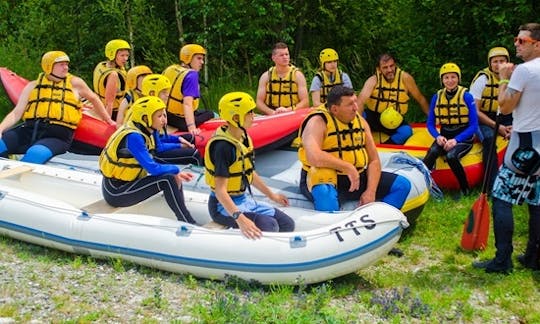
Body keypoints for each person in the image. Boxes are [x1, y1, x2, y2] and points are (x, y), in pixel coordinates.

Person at [473, 23, 540, 273]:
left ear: (536, 44)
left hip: (524, 141)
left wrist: (503, 79)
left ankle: (503, 260)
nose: (516, 44)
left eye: (522, 41)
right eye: (516, 40)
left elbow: (505, 106)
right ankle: (534, 257)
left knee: (501, 195)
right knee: (536, 199)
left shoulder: (524, 71)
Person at [298, 85, 412, 212]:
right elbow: (313, 157)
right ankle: (331, 222)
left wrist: (370, 191)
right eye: (350, 104)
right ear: (335, 109)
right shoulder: (317, 121)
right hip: (325, 177)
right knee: (324, 193)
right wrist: (347, 167)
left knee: (402, 185)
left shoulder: (360, 121)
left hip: (355, 178)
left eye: (355, 102)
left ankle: (377, 220)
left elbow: (373, 160)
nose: (356, 108)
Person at [204, 92, 295, 239]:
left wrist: (273, 196)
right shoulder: (223, 147)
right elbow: (220, 191)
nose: (253, 115)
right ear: (235, 118)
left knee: (287, 224)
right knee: (270, 226)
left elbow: (249, 173)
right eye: (249, 112)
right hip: (221, 206)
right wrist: (240, 219)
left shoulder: (243, 138)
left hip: (243, 200)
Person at [0, 51, 115, 164]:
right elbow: (16, 113)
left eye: (67, 64)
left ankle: (14, 176)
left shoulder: (75, 83)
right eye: (61, 65)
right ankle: (7, 163)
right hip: (30, 130)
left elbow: (94, 99)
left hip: (58, 136)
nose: (66, 68)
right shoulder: (33, 86)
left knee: (35, 154)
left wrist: (108, 120)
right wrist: (1, 128)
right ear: (48, 66)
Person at [99, 96, 196, 224]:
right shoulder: (134, 137)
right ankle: (186, 221)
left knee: (170, 175)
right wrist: (176, 170)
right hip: (116, 192)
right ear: (145, 118)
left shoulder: (145, 128)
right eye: (159, 116)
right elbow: (152, 168)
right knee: (168, 179)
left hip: (128, 183)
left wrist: (177, 142)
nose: (164, 120)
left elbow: (159, 143)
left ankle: (182, 213)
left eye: (164, 115)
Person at [423, 63, 479, 198]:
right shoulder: (436, 97)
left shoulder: (467, 96)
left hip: (463, 138)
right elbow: (430, 124)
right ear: (442, 80)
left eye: (453, 77)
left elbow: (474, 126)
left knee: (451, 156)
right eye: (446, 77)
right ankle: (423, 186)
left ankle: (465, 189)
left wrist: (456, 140)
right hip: (444, 136)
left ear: (458, 79)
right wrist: (437, 136)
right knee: (433, 152)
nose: (450, 80)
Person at [357, 53, 429, 144]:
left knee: (406, 132)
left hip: (395, 119)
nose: (390, 70)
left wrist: (432, 120)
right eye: (385, 67)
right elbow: (360, 102)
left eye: (391, 66)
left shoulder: (405, 78)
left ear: (395, 65)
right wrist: (358, 125)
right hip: (374, 116)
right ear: (379, 69)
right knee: (361, 116)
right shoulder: (373, 80)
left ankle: (387, 146)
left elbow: (420, 99)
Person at [469, 47, 513, 192]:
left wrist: (515, 126)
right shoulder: (483, 79)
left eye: (502, 61)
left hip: (507, 117)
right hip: (483, 118)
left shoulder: (514, 78)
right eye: (495, 61)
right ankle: (491, 186)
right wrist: (497, 127)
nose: (499, 64)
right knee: (489, 139)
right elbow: (475, 112)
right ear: (490, 63)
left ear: (507, 62)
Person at [141, 74, 202, 166]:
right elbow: (158, 147)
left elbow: (160, 137)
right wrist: (180, 145)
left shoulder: (155, 108)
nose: (167, 95)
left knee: (190, 138)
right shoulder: (148, 113)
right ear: (152, 93)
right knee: (194, 154)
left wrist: (179, 139)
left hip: (156, 145)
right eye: (164, 92)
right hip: (153, 154)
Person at [162, 44, 214, 135]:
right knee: (211, 114)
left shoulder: (171, 69)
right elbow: (187, 104)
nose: (202, 62)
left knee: (200, 112)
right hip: (181, 121)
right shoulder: (191, 75)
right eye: (199, 58)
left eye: (202, 59)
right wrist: (192, 127)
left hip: (166, 116)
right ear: (188, 58)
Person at [256, 42, 309, 115]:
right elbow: (259, 102)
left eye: (287, 54)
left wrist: (287, 110)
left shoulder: (298, 76)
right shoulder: (266, 76)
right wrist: (272, 112)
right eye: (281, 55)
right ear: (273, 58)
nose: (285, 57)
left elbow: (305, 102)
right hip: (271, 113)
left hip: (291, 113)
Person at [93, 39, 131, 120]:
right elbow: (109, 104)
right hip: (114, 113)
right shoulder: (113, 75)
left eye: (127, 55)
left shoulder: (101, 65)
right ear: (112, 55)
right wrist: (107, 122)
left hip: (100, 107)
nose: (126, 58)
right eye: (122, 55)